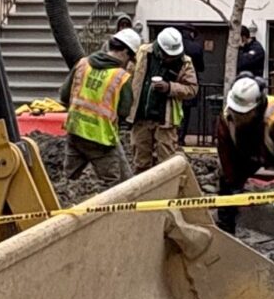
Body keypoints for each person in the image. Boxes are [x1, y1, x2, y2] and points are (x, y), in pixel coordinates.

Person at [214, 75, 274, 233]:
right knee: (226, 182)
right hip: (248, 152)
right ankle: (225, 230)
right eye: (236, 112)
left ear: (255, 109)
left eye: (243, 114)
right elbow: (226, 155)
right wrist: (234, 185)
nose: (237, 117)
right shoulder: (227, 118)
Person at [57, 29, 139, 189]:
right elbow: (123, 111)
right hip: (100, 138)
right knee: (112, 186)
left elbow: (64, 94)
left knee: (67, 183)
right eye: (130, 57)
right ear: (124, 52)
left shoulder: (83, 64)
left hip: (75, 131)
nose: (128, 62)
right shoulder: (120, 77)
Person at [129, 27, 199, 172]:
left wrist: (170, 88)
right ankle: (143, 193)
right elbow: (128, 76)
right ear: (159, 49)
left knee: (166, 164)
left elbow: (192, 89)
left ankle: (166, 193)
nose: (171, 58)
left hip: (165, 121)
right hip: (141, 117)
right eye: (168, 55)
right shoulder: (142, 54)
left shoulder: (185, 62)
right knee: (141, 162)